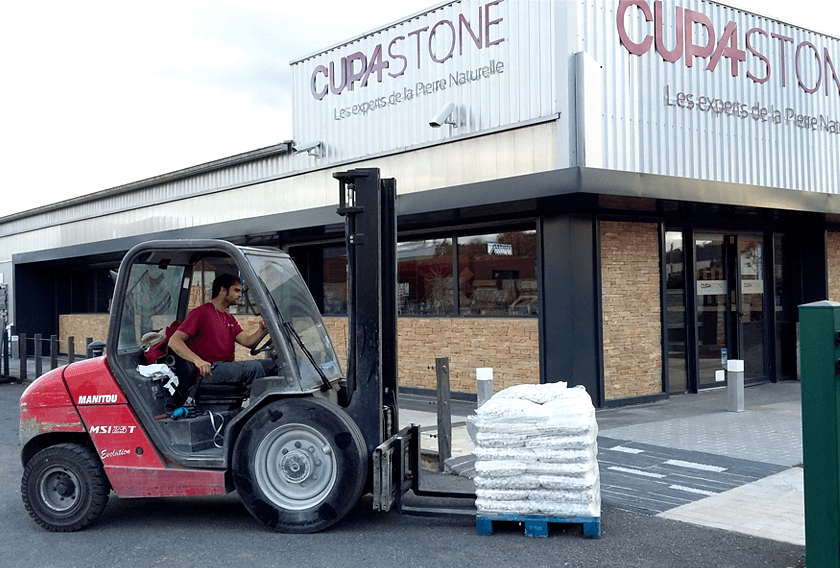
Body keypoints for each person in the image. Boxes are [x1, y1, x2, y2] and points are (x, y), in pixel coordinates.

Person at [168, 273, 275, 390]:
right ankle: (262, 407)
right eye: (236, 290)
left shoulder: (229, 318)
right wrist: (198, 361)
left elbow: (248, 342)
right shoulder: (200, 313)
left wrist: (262, 330)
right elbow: (174, 341)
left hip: (226, 367)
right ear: (223, 290)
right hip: (210, 369)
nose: (240, 295)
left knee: (274, 364)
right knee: (253, 368)